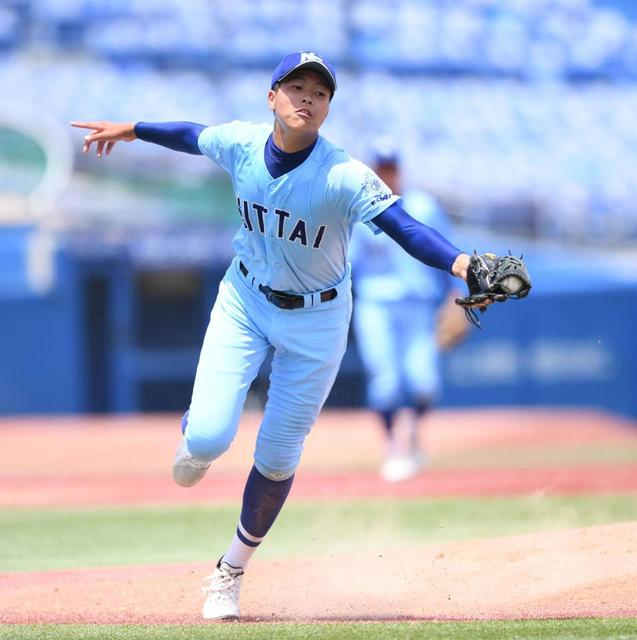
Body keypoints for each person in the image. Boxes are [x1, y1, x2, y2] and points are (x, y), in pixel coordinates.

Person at [71, 50, 472, 622]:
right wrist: (133, 129)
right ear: (272, 98)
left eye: (321, 92)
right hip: (245, 299)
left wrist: (461, 264)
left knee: (279, 458)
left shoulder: (343, 174)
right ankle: (197, 433)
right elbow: (190, 135)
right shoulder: (240, 143)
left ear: (329, 108)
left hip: (319, 319)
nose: (308, 98)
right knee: (207, 440)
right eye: (297, 86)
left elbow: (403, 227)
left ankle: (229, 572)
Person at [349, 139, 469, 482]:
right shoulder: (360, 208)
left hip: (418, 303)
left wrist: (455, 295)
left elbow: (447, 252)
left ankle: (412, 434)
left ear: (399, 169)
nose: (387, 173)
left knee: (424, 382)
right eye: (381, 167)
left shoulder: (424, 206)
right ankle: (392, 447)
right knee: (385, 383)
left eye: (391, 167)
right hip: (375, 303)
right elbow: (348, 264)